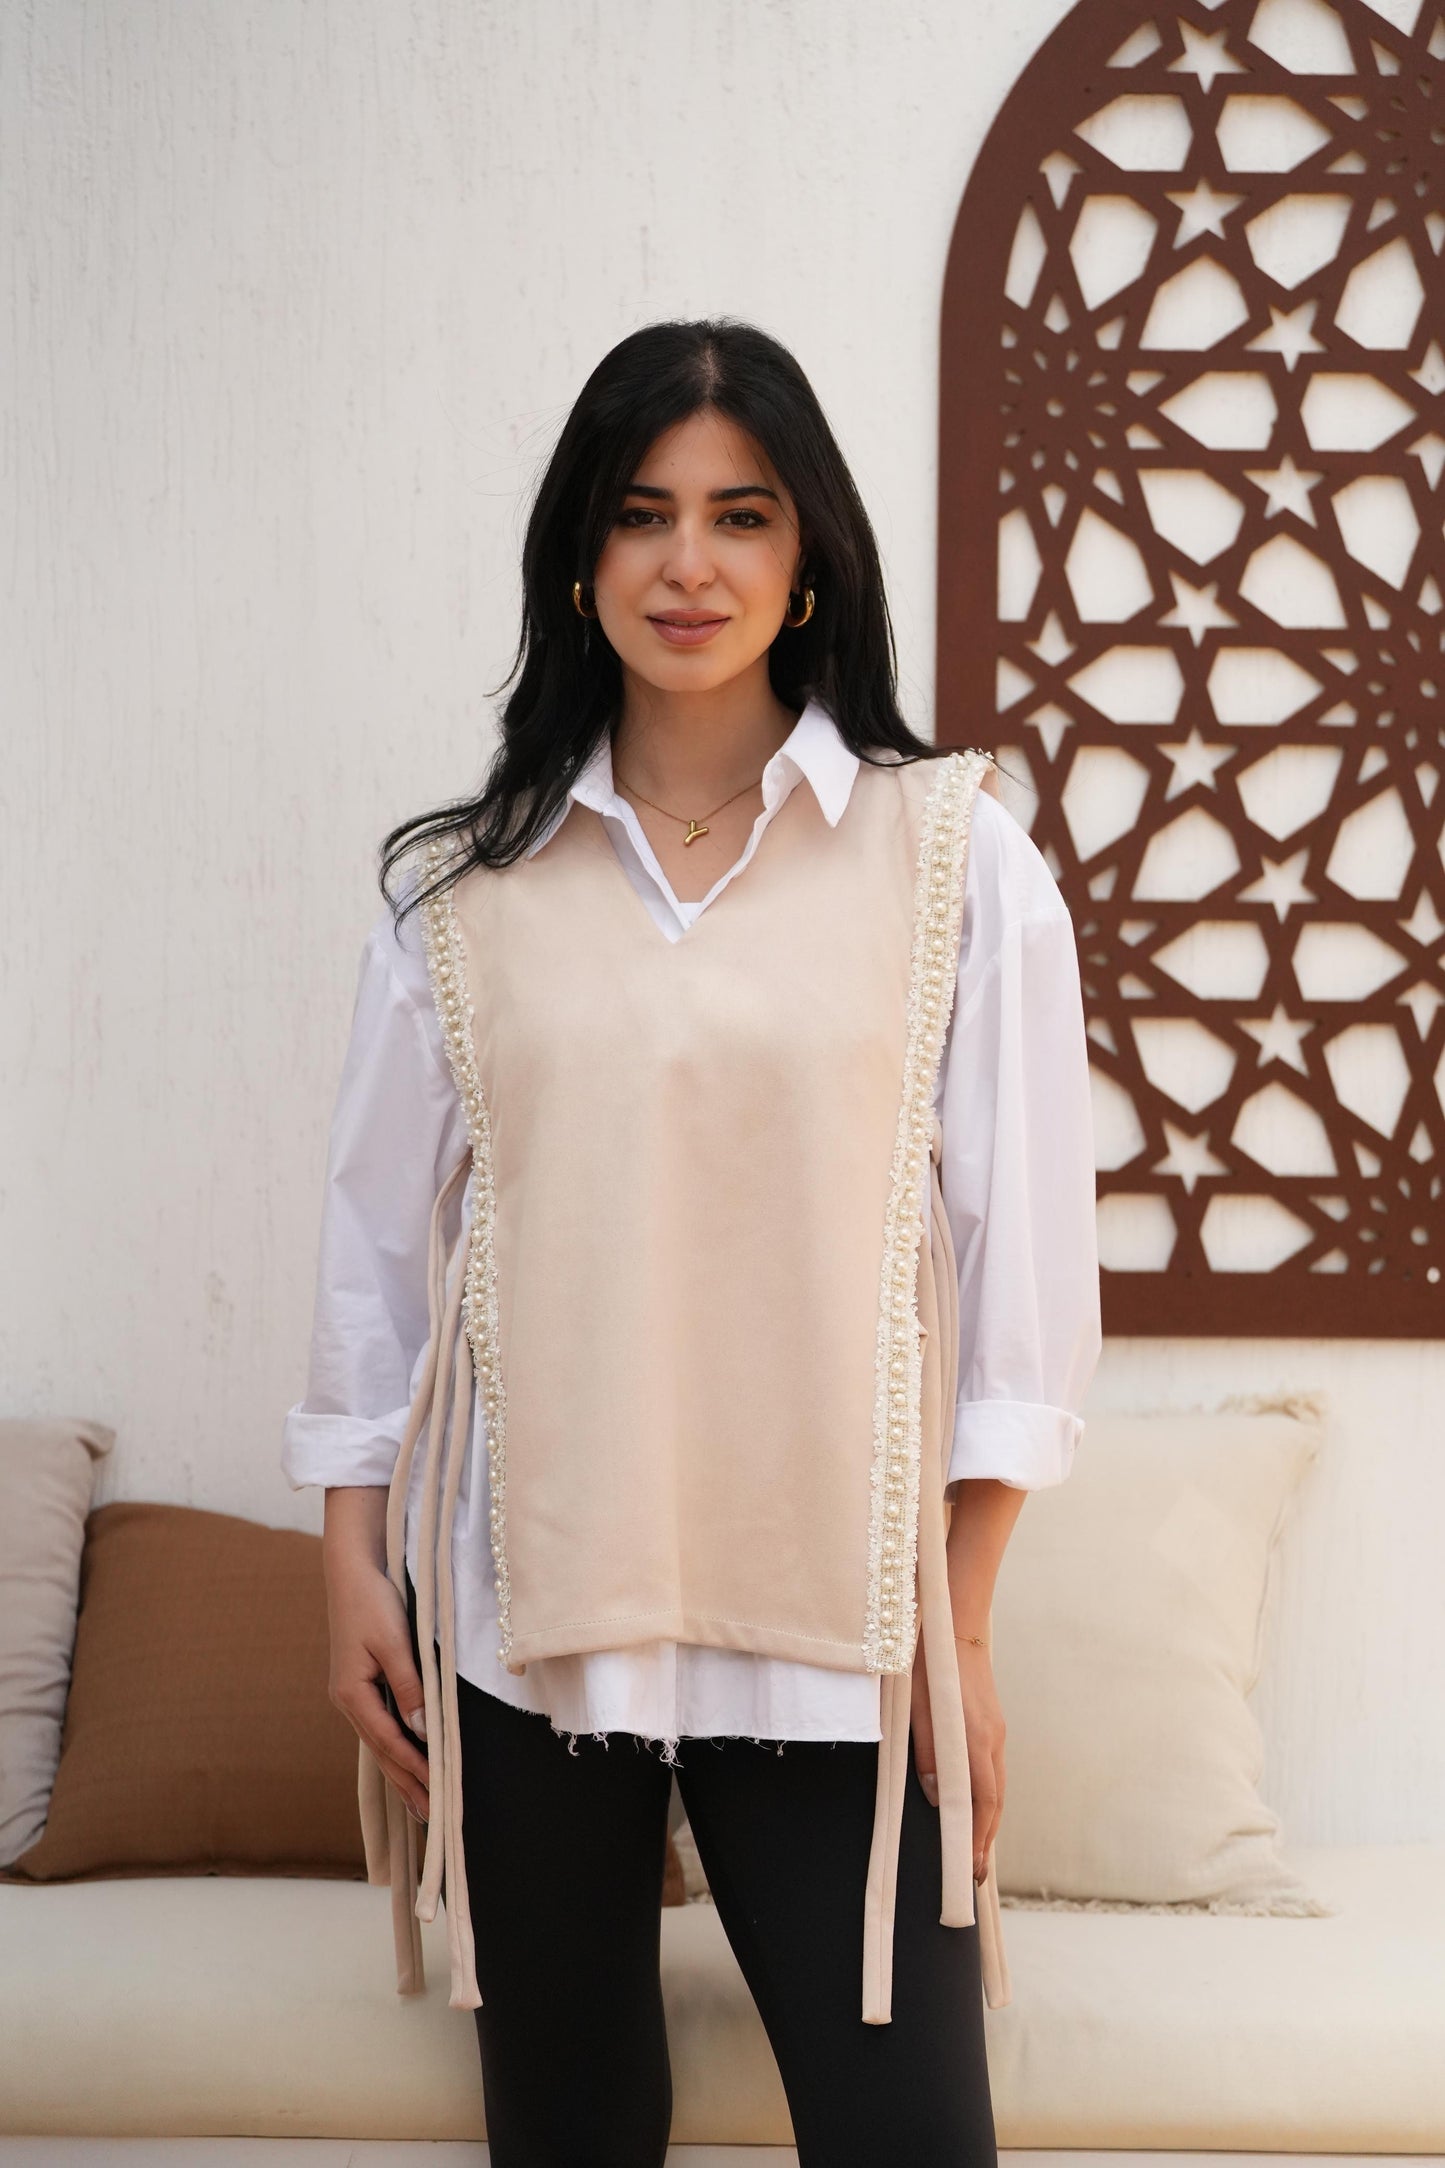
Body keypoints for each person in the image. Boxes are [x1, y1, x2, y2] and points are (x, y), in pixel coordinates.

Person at [282, 317, 1100, 2168]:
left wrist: (963, 1628)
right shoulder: (460, 891)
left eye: (741, 516)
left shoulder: (955, 860)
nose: (688, 564)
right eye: (642, 514)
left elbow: (1025, 1281)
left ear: (809, 559)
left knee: (906, 2140)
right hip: (525, 1628)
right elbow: (372, 1265)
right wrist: (347, 1566)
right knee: (571, 2135)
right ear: (578, 556)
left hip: (837, 1629)